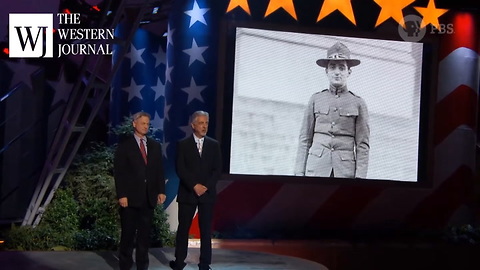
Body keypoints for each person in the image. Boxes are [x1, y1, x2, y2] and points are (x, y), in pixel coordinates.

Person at [294, 42, 370, 178]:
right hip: (316, 169)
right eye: (332, 67)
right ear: (326, 71)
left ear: (349, 72)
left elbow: (362, 145)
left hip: (344, 172)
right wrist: (299, 172)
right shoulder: (316, 99)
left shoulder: (358, 103)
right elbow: (305, 139)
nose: (337, 72)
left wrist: (360, 178)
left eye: (341, 68)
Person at [114, 111, 166, 270]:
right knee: (128, 235)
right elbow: (119, 172)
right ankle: (125, 265)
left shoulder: (155, 146)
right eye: (143, 123)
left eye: (147, 124)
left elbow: (158, 170)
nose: (146, 126)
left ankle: (142, 266)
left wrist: (161, 191)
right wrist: (122, 194)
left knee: (144, 237)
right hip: (130, 198)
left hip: (148, 197)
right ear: (134, 124)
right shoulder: (125, 146)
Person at [170, 111, 222, 270]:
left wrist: (205, 186)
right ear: (192, 125)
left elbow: (217, 169)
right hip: (188, 193)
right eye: (201, 123)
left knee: (206, 231)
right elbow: (181, 168)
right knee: (183, 229)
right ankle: (179, 262)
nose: (204, 126)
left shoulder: (214, 145)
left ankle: (205, 264)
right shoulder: (183, 144)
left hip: (207, 194)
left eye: (206, 123)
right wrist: (194, 186)